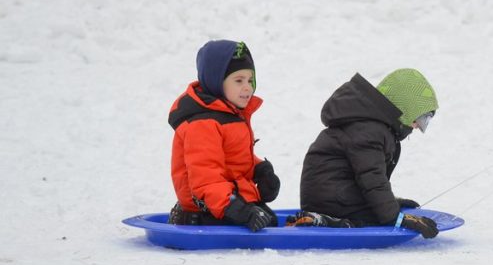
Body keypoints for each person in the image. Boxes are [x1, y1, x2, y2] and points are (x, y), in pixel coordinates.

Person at [291, 69, 440, 239]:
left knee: (380, 212)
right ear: (405, 108)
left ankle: (334, 217)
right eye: (421, 119)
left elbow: (370, 180)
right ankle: (327, 221)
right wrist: (396, 217)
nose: (418, 127)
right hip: (333, 201)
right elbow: (372, 179)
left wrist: (391, 202)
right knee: (376, 219)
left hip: (335, 196)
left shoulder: (372, 126)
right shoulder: (369, 130)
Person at [167, 40, 280, 231]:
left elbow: (232, 159)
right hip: (206, 210)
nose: (247, 87)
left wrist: (260, 169)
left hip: (226, 199)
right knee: (265, 225)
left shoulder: (230, 116)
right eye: (238, 80)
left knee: (270, 221)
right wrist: (239, 211)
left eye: (250, 80)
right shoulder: (202, 124)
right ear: (216, 81)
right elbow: (206, 177)